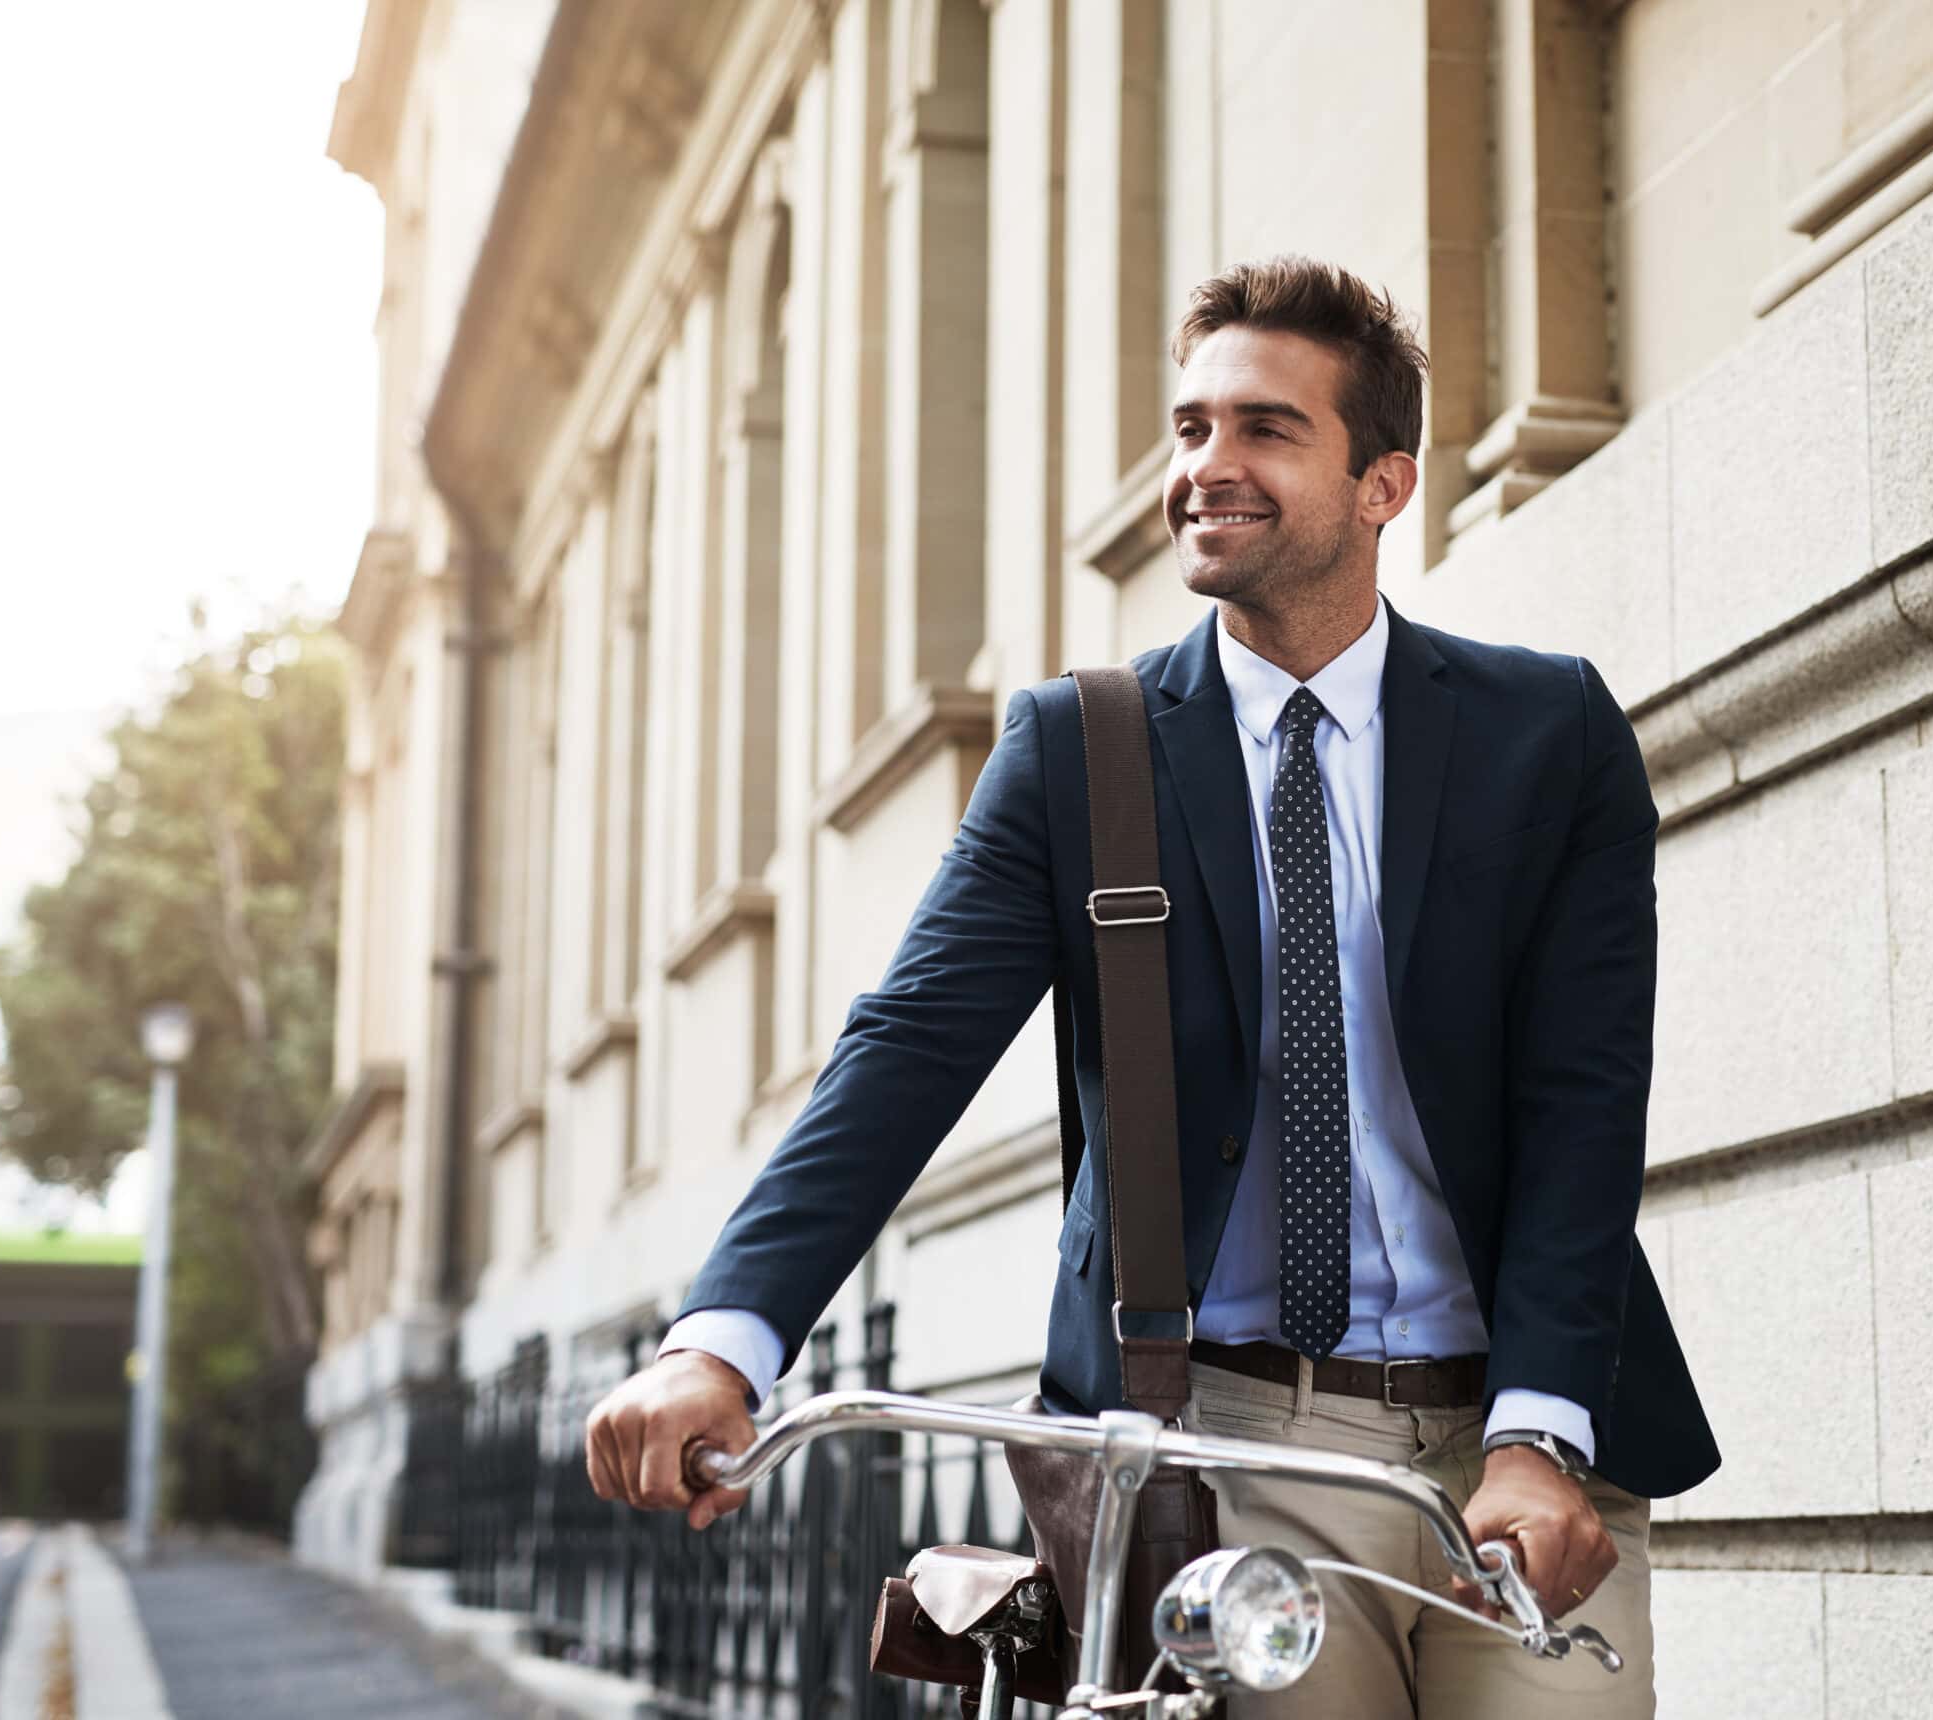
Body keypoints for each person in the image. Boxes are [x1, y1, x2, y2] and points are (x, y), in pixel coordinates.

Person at [583, 255, 1717, 1717]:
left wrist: (1542, 1436)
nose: (1206, 469)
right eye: (1189, 429)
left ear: (1386, 485)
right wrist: (721, 1342)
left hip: (1515, 1450)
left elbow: (1582, 1103)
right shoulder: (1079, 753)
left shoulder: (1543, 730)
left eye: (1263, 430)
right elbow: (906, 1049)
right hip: (1228, 1456)